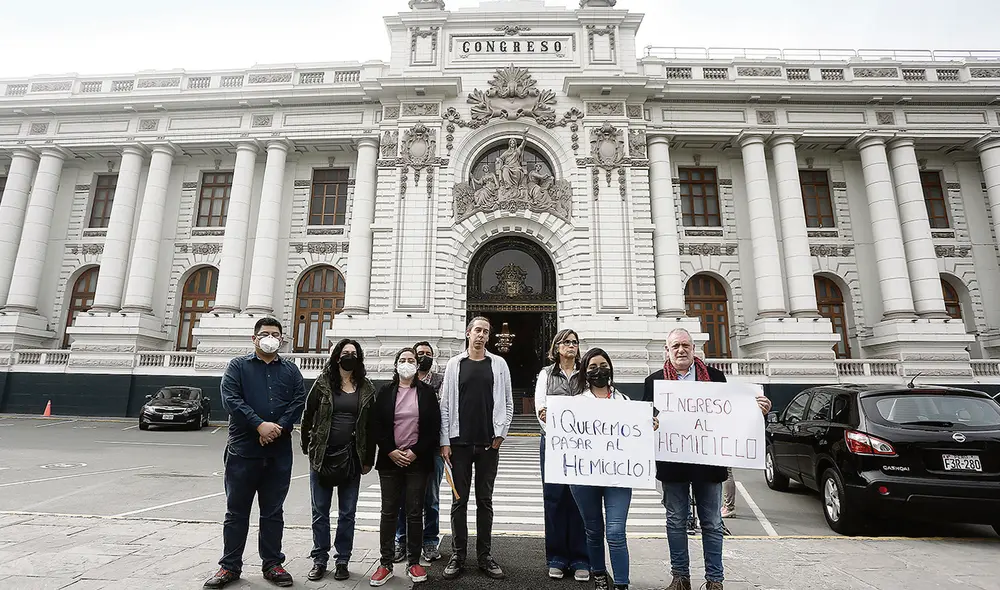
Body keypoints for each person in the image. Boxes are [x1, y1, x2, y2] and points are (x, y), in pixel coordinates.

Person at [643, 328, 771, 590]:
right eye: (675, 346)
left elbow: (730, 415)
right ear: (666, 351)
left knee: (712, 523)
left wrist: (758, 411)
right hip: (673, 465)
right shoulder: (654, 382)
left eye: (686, 345)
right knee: (675, 521)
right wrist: (650, 423)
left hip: (708, 464)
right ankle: (680, 578)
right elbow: (646, 422)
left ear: (694, 349)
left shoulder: (714, 378)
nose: (681, 350)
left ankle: (715, 581)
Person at [204, 318, 305, 589]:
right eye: (265, 334)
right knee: (236, 512)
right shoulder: (238, 366)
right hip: (242, 451)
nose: (270, 338)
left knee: (273, 512)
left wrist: (279, 427)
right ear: (254, 339)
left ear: (282, 339)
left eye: (275, 334)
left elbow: (298, 401)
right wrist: (259, 424)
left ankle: (272, 564)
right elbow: (231, 400)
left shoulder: (291, 370)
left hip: (278, 452)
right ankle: (229, 567)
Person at [568, 347, 658, 590]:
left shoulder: (625, 401)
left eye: (604, 366)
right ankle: (599, 576)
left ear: (611, 369)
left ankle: (621, 584)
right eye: (593, 367)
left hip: (618, 476)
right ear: (585, 372)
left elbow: (636, 438)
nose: (600, 371)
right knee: (594, 530)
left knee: (616, 531)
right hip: (584, 477)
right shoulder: (575, 403)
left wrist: (649, 425)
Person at [439, 316, 514, 580]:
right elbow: (445, 404)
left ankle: (485, 556)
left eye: (486, 332)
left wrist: (501, 434)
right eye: (477, 331)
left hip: (487, 445)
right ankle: (458, 555)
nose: (481, 335)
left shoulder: (499, 364)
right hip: (459, 444)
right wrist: (445, 441)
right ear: (468, 334)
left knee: (485, 501)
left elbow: (508, 402)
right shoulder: (454, 365)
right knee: (459, 502)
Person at [299, 339, 376, 583]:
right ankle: (320, 559)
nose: (349, 357)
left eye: (354, 353)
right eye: (345, 353)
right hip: (322, 457)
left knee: (347, 513)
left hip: (352, 458)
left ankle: (342, 559)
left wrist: (367, 459)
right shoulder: (322, 384)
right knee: (320, 512)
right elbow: (307, 416)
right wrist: (308, 448)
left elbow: (370, 428)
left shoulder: (366, 388)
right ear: (336, 357)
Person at [369, 348, 441, 586]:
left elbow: (433, 428)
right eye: (403, 360)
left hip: (417, 461)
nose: (407, 363)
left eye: (411, 360)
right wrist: (391, 450)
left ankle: (414, 562)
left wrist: (414, 452)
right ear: (396, 364)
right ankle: (385, 563)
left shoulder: (427, 393)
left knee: (414, 512)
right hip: (390, 461)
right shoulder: (385, 392)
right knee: (388, 512)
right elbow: (376, 425)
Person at [534, 329, 590, 582]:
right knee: (554, 499)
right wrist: (557, 431)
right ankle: (556, 558)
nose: (571, 346)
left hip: (583, 445)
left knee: (580, 499)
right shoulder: (546, 374)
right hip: (554, 443)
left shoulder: (586, 374)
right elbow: (540, 409)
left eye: (575, 342)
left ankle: (581, 558)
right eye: (566, 342)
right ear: (557, 347)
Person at [393, 341, 445, 563]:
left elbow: (443, 412)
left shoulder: (441, 381)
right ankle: (401, 540)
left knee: (430, 498)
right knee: (403, 498)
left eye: (428, 354)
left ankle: (430, 541)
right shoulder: (403, 383)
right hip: (405, 448)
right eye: (420, 354)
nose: (424, 357)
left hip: (431, 449)